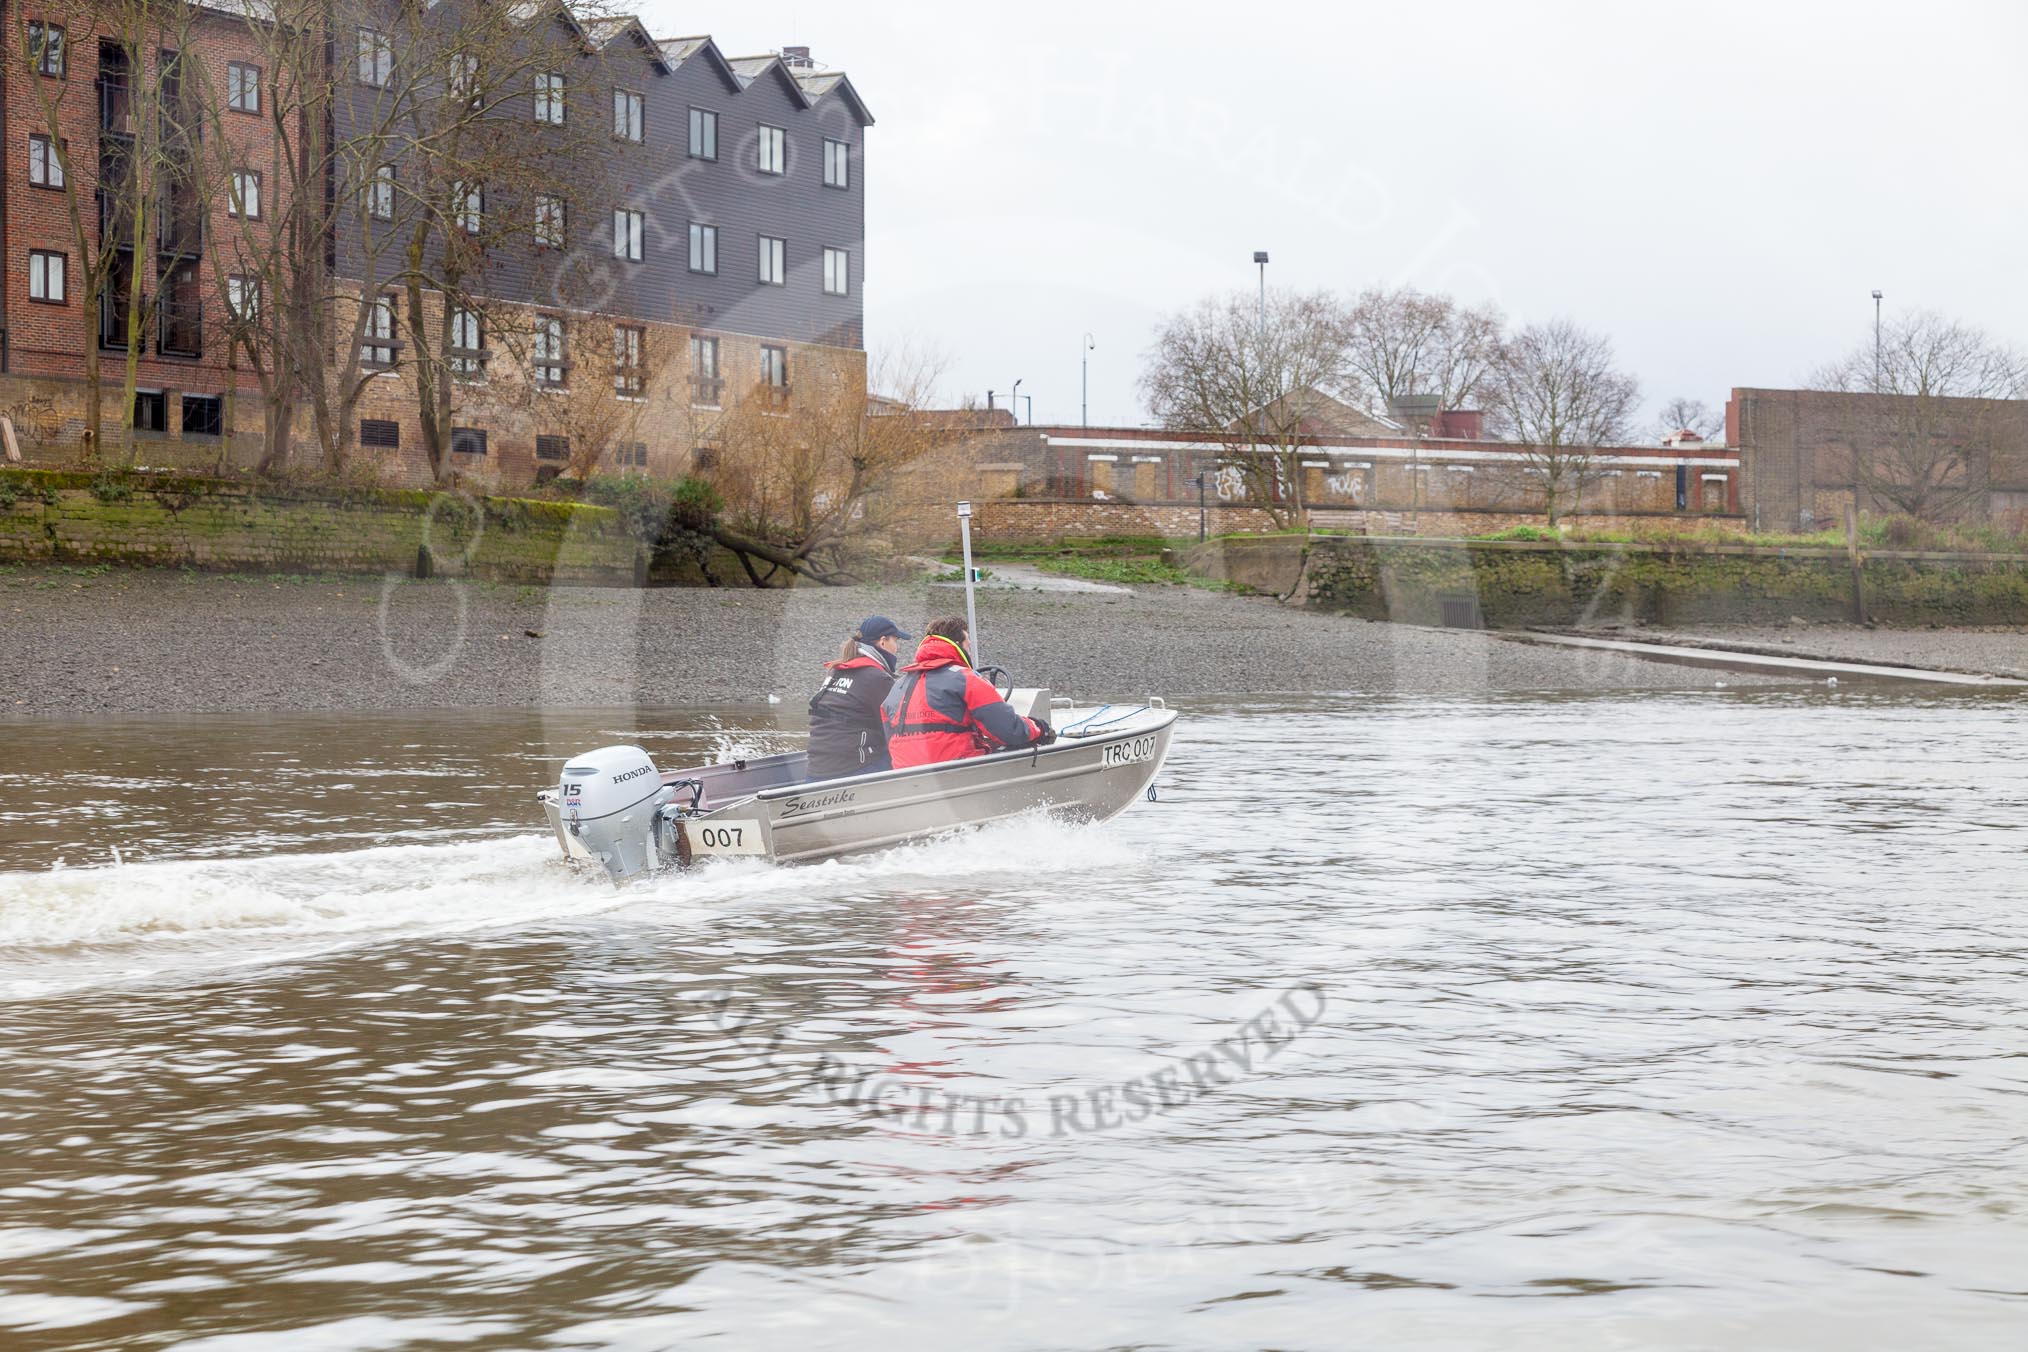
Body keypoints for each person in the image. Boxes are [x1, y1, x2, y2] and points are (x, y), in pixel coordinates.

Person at [881, 617, 1055, 769]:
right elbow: (1010, 729)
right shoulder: (966, 679)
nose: (970, 652)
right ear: (958, 646)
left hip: (907, 775)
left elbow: (889, 735)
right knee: (1018, 745)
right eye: (968, 646)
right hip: (957, 770)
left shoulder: (898, 686)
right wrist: (1039, 728)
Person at [806, 616, 911, 780]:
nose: (896, 647)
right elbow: (898, 728)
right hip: (851, 770)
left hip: (816, 769)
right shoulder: (877, 678)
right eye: (895, 641)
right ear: (883, 642)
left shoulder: (836, 671)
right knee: (909, 756)